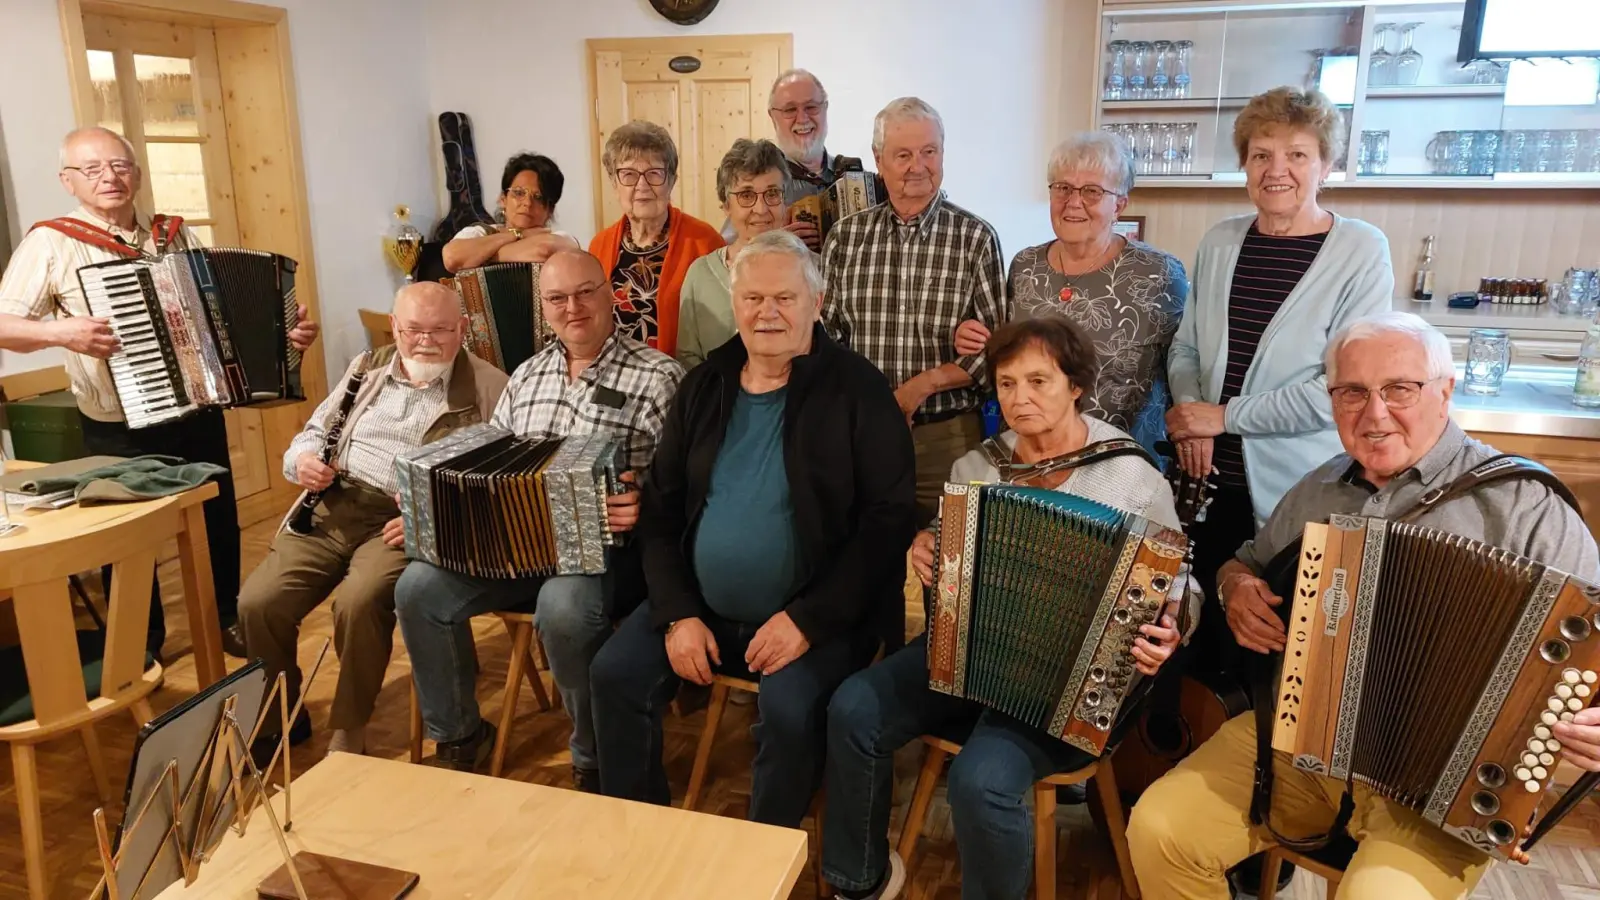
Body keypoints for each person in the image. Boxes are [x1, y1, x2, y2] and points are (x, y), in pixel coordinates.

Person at [1127, 312, 1600, 900]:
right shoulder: (1320, 487)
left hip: (1445, 786)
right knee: (1160, 830)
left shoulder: (1528, 506)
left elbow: (1592, 646)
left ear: (1445, 391)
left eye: (1400, 388)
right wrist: (1236, 588)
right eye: (1351, 392)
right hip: (1299, 741)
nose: (1374, 414)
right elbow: (1242, 561)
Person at [822, 317, 1190, 900]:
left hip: (1069, 683)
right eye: (1007, 383)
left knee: (980, 780)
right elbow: (949, 553)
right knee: (852, 707)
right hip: (970, 656)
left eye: (1039, 381)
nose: (1021, 398)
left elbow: (1180, 583)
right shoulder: (980, 467)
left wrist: (1171, 625)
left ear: (1075, 386)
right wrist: (927, 548)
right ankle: (858, 877)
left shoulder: (1130, 477)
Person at [590, 229, 917, 828]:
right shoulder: (703, 387)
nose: (767, 313)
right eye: (753, 298)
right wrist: (677, 613)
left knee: (790, 712)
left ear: (816, 304)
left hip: (814, 615)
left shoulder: (857, 389)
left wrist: (808, 620)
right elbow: (660, 514)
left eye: (785, 299)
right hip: (701, 609)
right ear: (735, 305)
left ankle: (767, 861)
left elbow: (888, 522)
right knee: (613, 675)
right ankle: (634, 837)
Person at [0, 126, 318, 659]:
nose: (109, 177)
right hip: (115, 422)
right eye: (92, 169)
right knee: (126, 536)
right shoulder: (50, 242)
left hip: (196, 409)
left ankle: (223, 620)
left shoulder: (173, 235)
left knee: (217, 522)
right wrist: (63, 332)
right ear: (68, 181)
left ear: (138, 174)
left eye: (120, 166)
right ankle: (138, 642)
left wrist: (279, 335)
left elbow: (215, 318)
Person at [393, 249, 682, 786]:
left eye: (584, 292)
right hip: (513, 548)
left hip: (607, 554)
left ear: (609, 295)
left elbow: (687, 481)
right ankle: (458, 733)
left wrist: (645, 499)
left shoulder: (658, 375)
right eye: (557, 298)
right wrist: (430, 509)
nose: (572, 307)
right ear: (543, 306)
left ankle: (594, 756)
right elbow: (488, 464)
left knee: (565, 606)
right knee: (417, 588)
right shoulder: (523, 376)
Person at [1163, 87, 1392, 676]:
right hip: (1208, 484)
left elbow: (1342, 389)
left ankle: (1263, 769)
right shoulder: (1220, 240)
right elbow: (1186, 347)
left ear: (1326, 165)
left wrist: (1225, 417)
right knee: (1196, 643)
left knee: (1278, 656)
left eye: (1297, 154)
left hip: (1298, 494)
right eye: (1261, 154)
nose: (1277, 170)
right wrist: (1193, 415)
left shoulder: (1361, 251)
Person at [236, 282, 507, 757]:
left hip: (406, 520)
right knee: (258, 602)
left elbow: (498, 484)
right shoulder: (367, 366)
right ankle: (280, 715)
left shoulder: (489, 386)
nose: (425, 341)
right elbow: (316, 431)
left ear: (462, 329)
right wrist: (299, 460)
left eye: (440, 330)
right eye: (413, 329)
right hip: (333, 504)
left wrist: (432, 516)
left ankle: (350, 725)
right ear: (395, 327)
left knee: (358, 604)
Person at [822, 97, 1006, 522]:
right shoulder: (845, 239)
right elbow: (825, 341)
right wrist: (868, 404)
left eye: (929, 152)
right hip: (860, 433)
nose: (917, 166)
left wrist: (921, 386)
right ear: (878, 160)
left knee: (949, 563)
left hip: (947, 439)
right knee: (863, 553)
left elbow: (996, 353)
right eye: (902, 155)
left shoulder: (975, 238)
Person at [954, 132, 1187, 452]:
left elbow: (1185, 364)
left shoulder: (1159, 274)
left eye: (1091, 191)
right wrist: (974, 337)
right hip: (1031, 462)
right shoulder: (1025, 266)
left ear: (1119, 205)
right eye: (1062, 188)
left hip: (1121, 467)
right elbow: (1008, 355)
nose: (1073, 202)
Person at [589, 121, 724, 357]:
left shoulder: (704, 241)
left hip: (682, 380)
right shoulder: (599, 244)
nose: (642, 185)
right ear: (614, 183)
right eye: (628, 174)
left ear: (671, 180)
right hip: (614, 378)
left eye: (654, 173)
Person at [678, 138, 797, 368]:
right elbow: (687, 358)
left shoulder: (812, 270)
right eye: (746, 195)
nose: (761, 209)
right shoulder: (700, 275)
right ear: (725, 205)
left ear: (785, 201)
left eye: (772, 193)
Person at [757, 68, 875, 251]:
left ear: (825, 109)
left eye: (811, 107)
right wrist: (772, 245)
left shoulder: (854, 175)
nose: (802, 118)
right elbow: (730, 257)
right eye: (790, 109)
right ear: (773, 117)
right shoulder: (758, 185)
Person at [441, 152, 579, 272]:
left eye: (538, 197)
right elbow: (452, 257)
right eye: (518, 193)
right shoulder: (478, 233)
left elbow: (543, 251)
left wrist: (478, 256)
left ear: (550, 210)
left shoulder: (559, 237)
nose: (527, 203)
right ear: (503, 199)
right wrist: (518, 234)